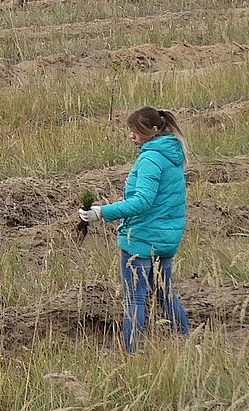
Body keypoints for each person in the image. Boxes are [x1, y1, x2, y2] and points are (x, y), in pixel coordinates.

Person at [80, 108, 190, 352]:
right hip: (166, 239)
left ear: (152, 131)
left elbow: (142, 202)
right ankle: (186, 342)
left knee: (135, 298)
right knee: (165, 294)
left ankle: (129, 352)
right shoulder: (172, 154)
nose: (131, 136)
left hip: (141, 239)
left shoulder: (151, 159)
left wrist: (102, 212)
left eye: (136, 131)